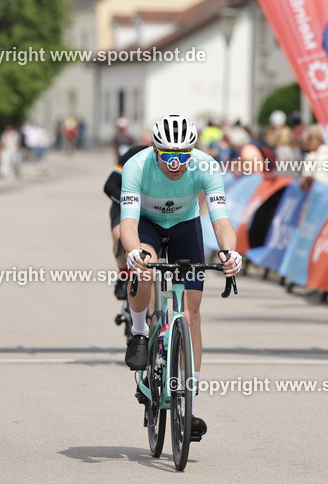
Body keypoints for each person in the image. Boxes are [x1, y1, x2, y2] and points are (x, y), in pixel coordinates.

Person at [120, 114, 242, 439]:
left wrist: (230, 252)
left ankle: (187, 402)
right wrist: (133, 253)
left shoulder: (206, 166)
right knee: (145, 263)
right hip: (147, 224)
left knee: (191, 314)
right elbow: (128, 225)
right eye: (168, 156)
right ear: (155, 150)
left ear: (193, 152)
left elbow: (221, 221)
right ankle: (139, 331)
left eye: (183, 156)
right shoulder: (136, 166)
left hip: (185, 227)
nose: (176, 163)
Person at [103, 131, 152, 300]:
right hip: (124, 204)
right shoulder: (134, 154)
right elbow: (109, 185)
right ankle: (124, 275)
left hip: (153, 209)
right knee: (119, 236)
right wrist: (130, 203)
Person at [299, 125, 328, 191]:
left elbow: (303, 184)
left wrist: (309, 179)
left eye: (310, 138)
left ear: (319, 138)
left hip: (318, 196)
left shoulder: (312, 156)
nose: (307, 142)